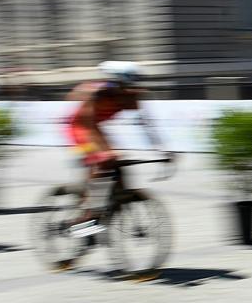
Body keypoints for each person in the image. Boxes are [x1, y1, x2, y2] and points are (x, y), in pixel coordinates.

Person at [63, 61, 171, 238]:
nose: (127, 90)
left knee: (118, 166)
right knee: (101, 159)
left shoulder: (131, 98)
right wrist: (104, 153)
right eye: (123, 86)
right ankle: (89, 212)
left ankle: (113, 201)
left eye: (131, 85)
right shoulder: (96, 93)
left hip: (96, 128)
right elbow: (88, 125)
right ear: (113, 82)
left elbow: (146, 125)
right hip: (79, 128)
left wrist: (162, 151)